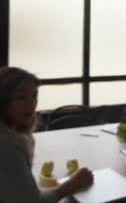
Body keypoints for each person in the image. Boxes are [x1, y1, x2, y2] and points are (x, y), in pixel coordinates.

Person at [0, 67, 94, 203]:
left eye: (34, 95)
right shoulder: (6, 143)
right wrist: (73, 184)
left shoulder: (14, 131)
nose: (31, 104)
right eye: (21, 97)